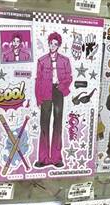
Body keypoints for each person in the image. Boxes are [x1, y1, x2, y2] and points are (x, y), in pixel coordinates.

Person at [34, 32, 72, 168]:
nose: (53, 46)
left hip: (58, 92)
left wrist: (62, 86)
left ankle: (56, 158)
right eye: (51, 43)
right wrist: (38, 98)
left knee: (57, 124)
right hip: (45, 93)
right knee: (44, 124)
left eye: (55, 44)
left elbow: (69, 77)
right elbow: (38, 80)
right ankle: (43, 158)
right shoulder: (42, 60)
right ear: (48, 44)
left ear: (59, 45)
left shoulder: (65, 60)